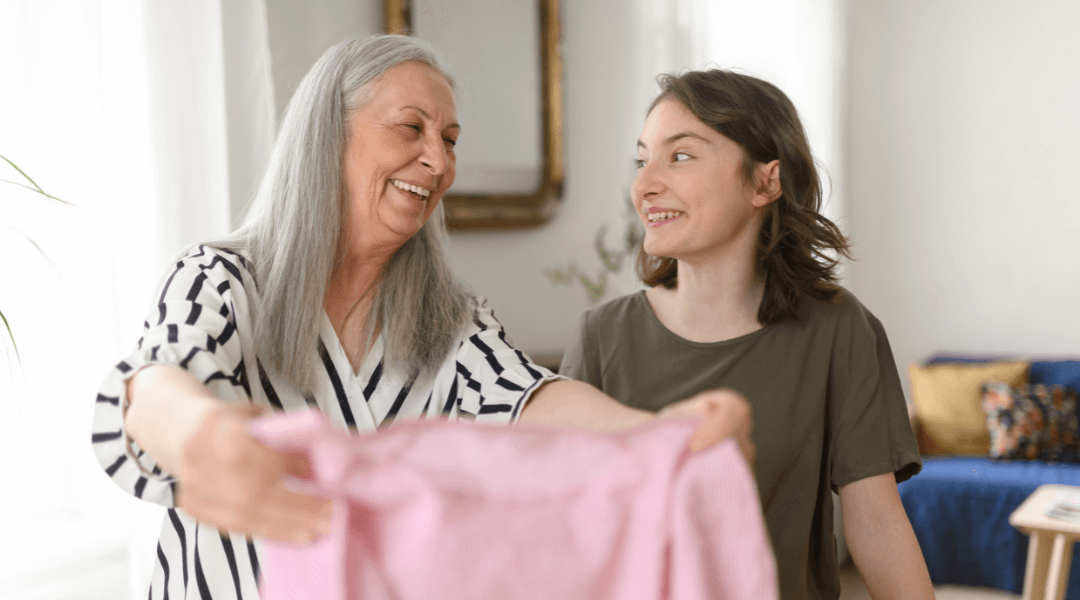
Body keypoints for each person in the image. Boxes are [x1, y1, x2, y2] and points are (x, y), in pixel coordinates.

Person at [90, 36, 753, 600]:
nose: (440, 162)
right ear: (329, 137)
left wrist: (659, 434)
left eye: (450, 139)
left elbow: (532, 398)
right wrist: (203, 435)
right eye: (411, 129)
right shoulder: (219, 279)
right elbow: (154, 386)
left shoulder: (452, 322)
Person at [559, 69, 934, 600]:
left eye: (680, 155)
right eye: (642, 160)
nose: (644, 184)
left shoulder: (839, 329)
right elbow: (570, 531)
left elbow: (876, 524)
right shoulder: (601, 335)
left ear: (765, 182)